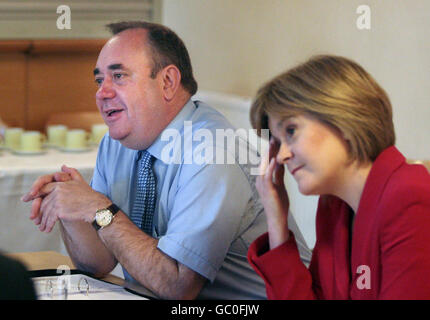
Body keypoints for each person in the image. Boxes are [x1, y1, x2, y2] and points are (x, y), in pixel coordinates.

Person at [21, 21, 310, 300]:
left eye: (118, 76)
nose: (101, 92)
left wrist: (98, 208)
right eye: (99, 80)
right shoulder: (116, 143)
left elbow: (177, 286)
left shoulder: (214, 152)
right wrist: (72, 207)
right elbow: (97, 263)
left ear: (168, 82)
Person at [247, 55, 430, 299]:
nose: (280, 156)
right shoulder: (333, 208)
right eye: (277, 142)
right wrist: (276, 220)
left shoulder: (408, 196)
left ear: (344, 118)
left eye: (291, 131)